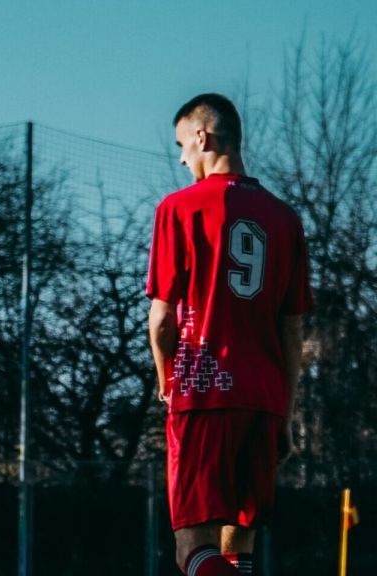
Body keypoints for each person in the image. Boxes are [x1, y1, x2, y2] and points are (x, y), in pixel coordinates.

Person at [147, 93, 312, 576]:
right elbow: (293, 328)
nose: (181, 158)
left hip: (203, 389)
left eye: (181, 144)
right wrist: (284, 410)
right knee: (239, 546)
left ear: (203, 136)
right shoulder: (285, 219)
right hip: (263, 397)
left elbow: (161, 322)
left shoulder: (179, 208)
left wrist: (166, 379)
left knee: (191, 547)